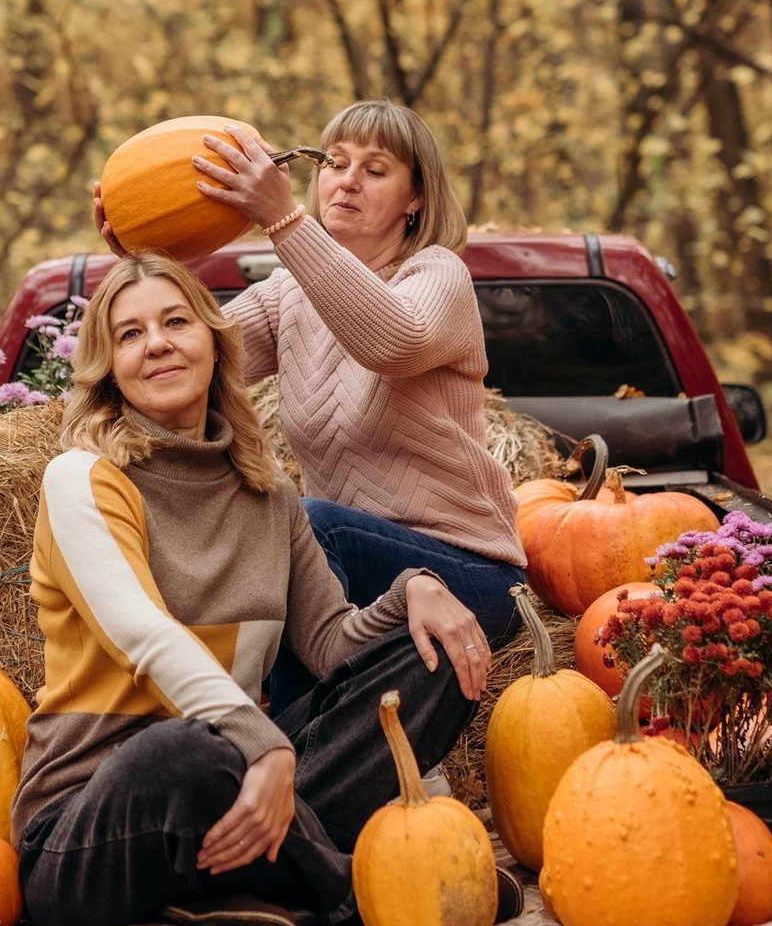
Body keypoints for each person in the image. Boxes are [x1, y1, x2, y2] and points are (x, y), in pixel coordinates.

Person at [11, 251, 519, 926]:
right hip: (90, 832)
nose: (156, 342)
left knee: (436, 657)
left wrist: (411, 591)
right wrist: (267, 745)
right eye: (130, 334)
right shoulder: (82, 479)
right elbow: (144, 634)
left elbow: (332, 644)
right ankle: (360, 895)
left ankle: (241, 890)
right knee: (185, 750)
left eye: (174, 322)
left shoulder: (268, 495)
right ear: (109, 368)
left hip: (249, 795)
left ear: (216, 346)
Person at [94, 100, 527, 715]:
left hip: (466, 571)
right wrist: (143, 265)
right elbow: (188, 360)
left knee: (306, 522)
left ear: (416, 199)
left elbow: (392, 341)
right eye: (335, 162)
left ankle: (284, 752)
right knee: (280, 521)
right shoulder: (289, 292)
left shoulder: (438, 277)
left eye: (374, 170)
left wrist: (282, 219)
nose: (346, 180)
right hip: (353, 582)